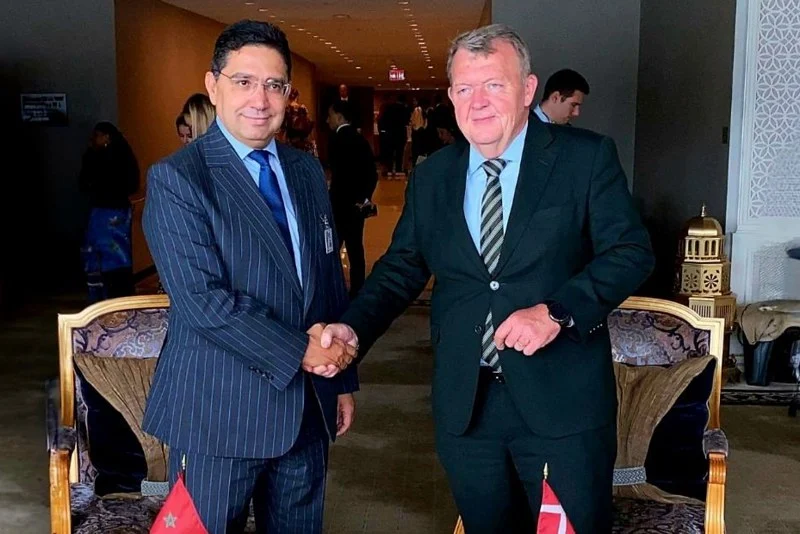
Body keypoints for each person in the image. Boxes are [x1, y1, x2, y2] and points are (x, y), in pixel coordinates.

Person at [316, 24, 654, 533]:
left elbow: (631, 252)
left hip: (562, 405)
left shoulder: (584, 158)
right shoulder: (434, 176)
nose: (478, 102)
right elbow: (402, 268)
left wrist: (556, 312)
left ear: (527, 89)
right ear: (451, 96)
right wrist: (353, 328)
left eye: (494, 84)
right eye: (464, 88)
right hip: (467, 407)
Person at [142, 20, 357, 534]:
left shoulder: (305, 171)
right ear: (213, 85)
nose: (260, 100)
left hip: (306, 410)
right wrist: (304, 351)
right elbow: (203, 301)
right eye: (243, 81)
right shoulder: (179, 178)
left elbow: (327, 277)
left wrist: (342, 379)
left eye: (274, 85)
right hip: (219, 414)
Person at [79, 121, 140, 301]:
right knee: (118, 254)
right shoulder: (123, 155)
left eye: (97, 135)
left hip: (104, 213)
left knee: (102, 255)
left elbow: (85, 182)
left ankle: (103, 297)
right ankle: (120, 296)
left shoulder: (96, 157)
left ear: (106, 137)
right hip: (118, 212)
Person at [325, 99, 378, 298]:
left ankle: (331, 287)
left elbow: (336, 174)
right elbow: (371, 173)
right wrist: (364, 198)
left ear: (339, 117)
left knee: (332, 247)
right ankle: (357, 288)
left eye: (330, 116)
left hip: (338, 203)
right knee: (355, 248)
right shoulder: (360, 139)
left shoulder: (336, 140)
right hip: (355, 205)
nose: (327, 120)